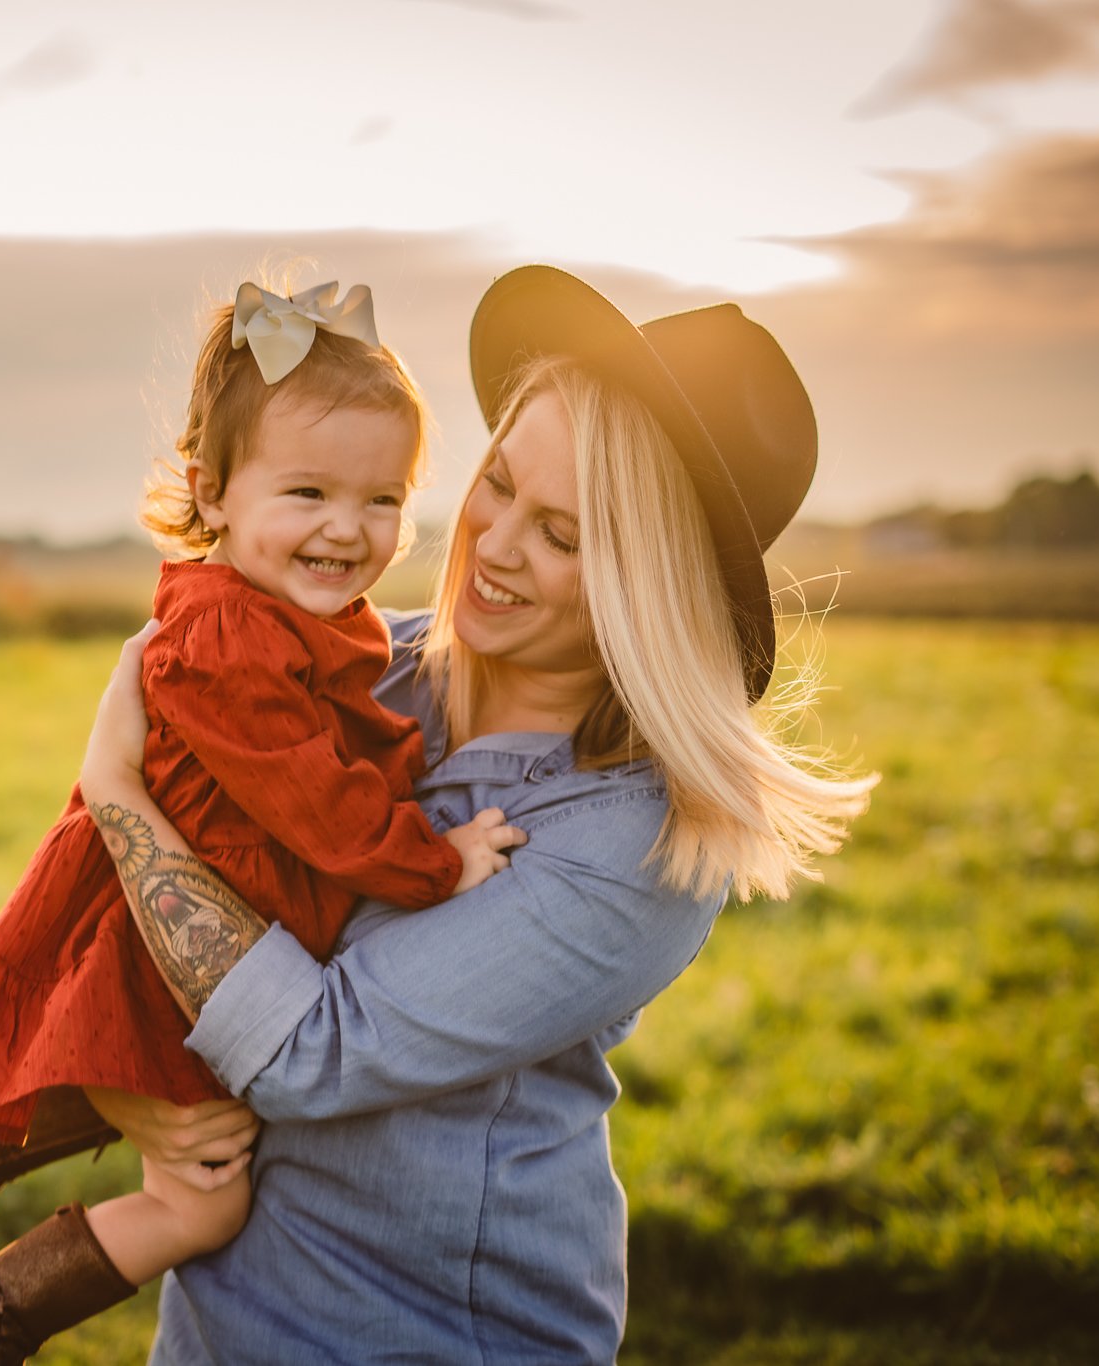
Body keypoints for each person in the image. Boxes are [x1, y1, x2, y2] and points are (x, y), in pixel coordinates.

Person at [74, 265, 878, 1363]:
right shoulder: (362, 663)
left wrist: (114, 794)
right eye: (496, 484)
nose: (493, 547)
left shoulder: (632, 842)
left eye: (561, 534)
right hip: (220, 1322)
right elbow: (133, 905)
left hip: (424, 1334)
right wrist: (131, 1098)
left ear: (650, 590)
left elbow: (309, 1050)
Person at [0, 280, 525, 1365]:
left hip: (214, 913)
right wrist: (436, 859)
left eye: (383, 499)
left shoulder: (275, 610)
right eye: (308, 492)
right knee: (200, 1201)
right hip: (184, 929)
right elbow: (312, 800)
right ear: (212, 491)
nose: (348, 528)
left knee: (191, 1162)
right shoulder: (228, 632)